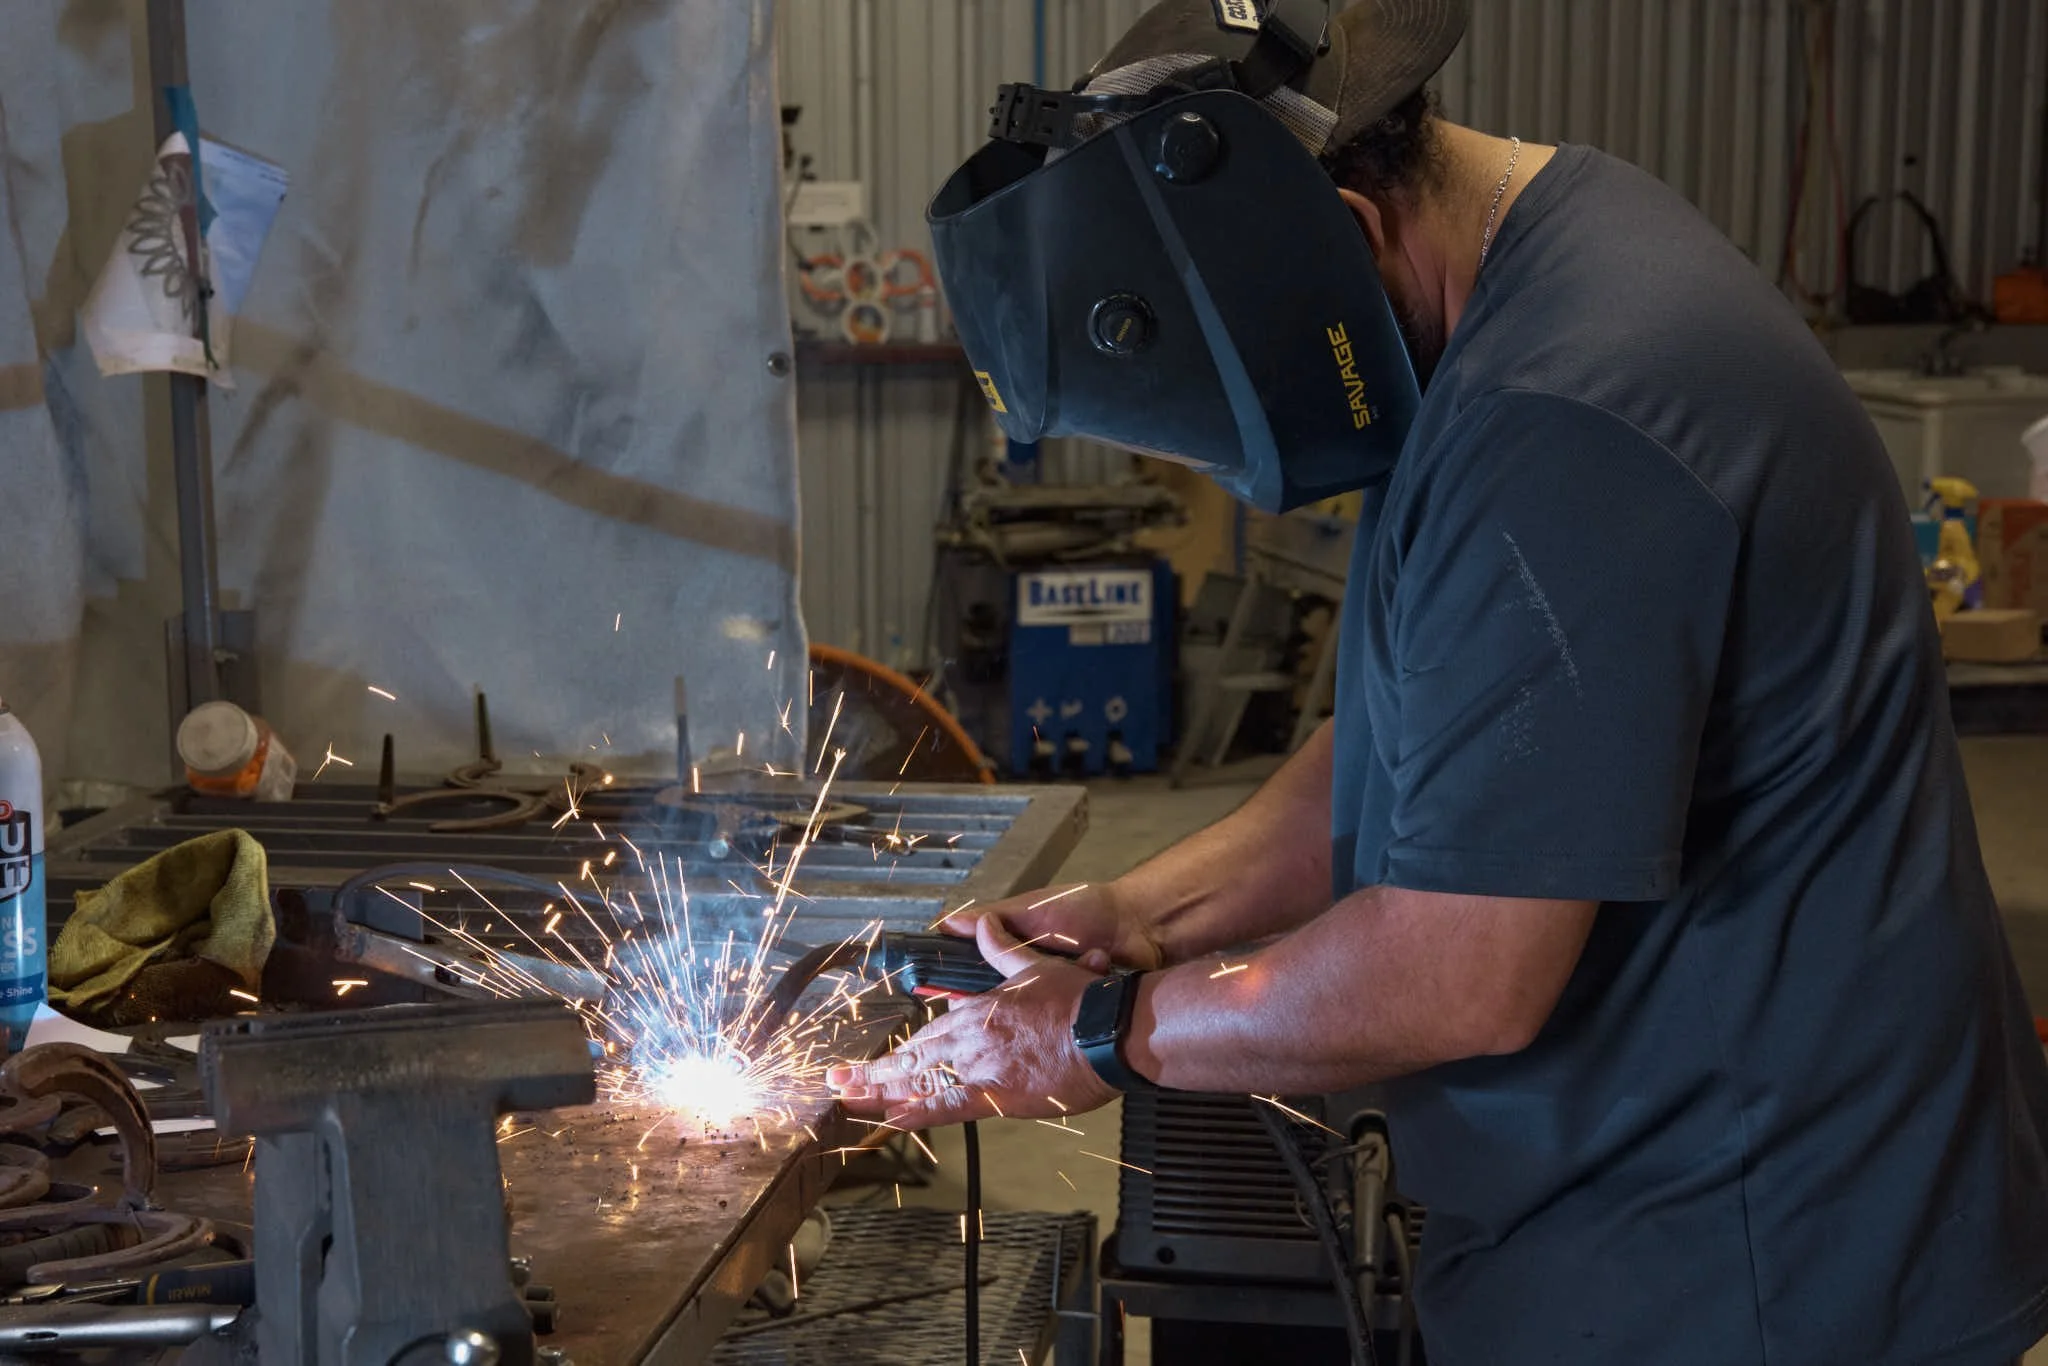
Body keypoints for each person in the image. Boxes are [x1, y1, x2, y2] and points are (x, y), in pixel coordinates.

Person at [827, 1, 2048, 1360]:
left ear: (1340, 239)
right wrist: (1131, 909)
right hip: (1666, 1213)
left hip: (1759, 1262)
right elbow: (1433, 738)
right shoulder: (1533, 275)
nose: (1233, 480)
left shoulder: (1566, 417)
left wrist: (1100, 1037)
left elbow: (1464, 967)